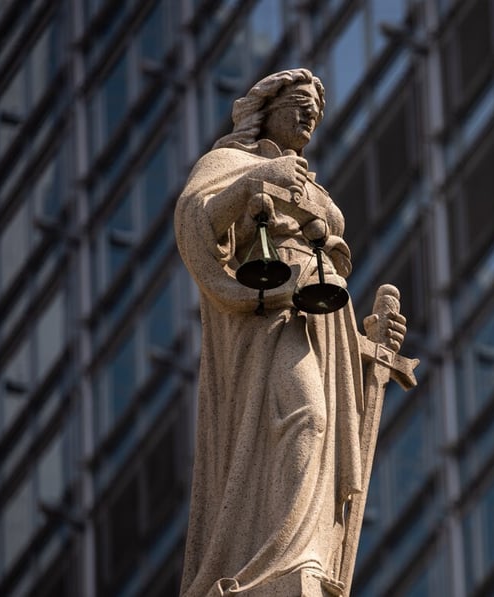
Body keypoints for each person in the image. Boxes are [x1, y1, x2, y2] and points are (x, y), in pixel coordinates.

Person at [174, 69, 405, 597]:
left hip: (323, 317)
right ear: (266, 109)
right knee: (306, 417)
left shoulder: (316, 189)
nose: (309, 117)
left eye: (316, 113)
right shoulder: (232, 163)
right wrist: (255, 182)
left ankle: (308, 555)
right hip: (270, 312)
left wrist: (369, 342)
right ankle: (276, 560)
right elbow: (195, 220)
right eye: (299, 104)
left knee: (320, 431)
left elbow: (329, 266)